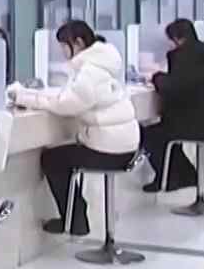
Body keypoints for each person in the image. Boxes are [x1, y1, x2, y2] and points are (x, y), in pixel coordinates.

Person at [10, 22, 138, 236]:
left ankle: (75, 220)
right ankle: (76, 216)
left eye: (64, 46)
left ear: (77, 43)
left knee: (53, 159)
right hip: (126, 146)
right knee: (64, 154)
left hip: (109, 150)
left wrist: (24, 98)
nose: (62, 52)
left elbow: (65, 106)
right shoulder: (105, 64)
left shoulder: (89, 72)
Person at [139, 19, 204, 192]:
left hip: (192, 123)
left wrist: (156, 77)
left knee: (150, 135)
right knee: (165, 132)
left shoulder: (182, 56)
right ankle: (186, 175)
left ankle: (169, 179)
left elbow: (174, 87)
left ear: (178, 38)